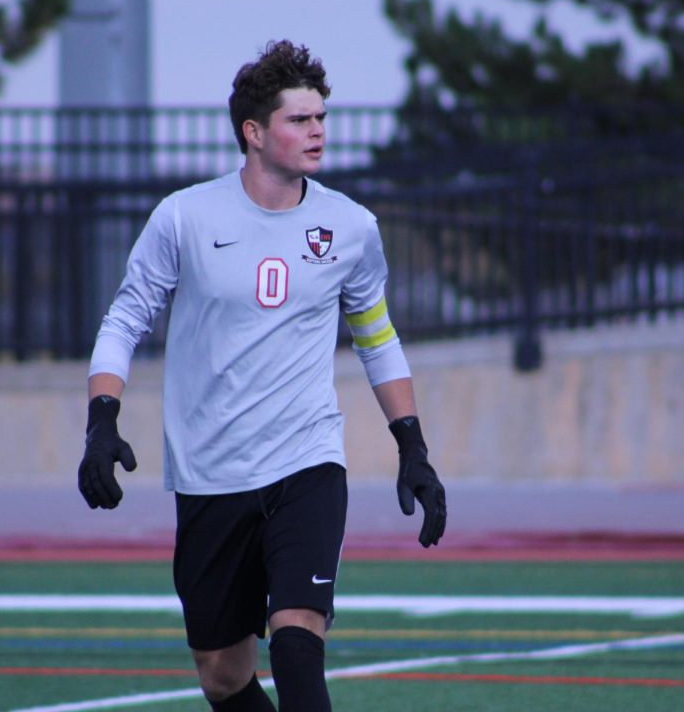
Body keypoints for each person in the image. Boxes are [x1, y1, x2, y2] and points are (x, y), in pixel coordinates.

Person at [78, 39, 447, 712]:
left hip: (306, 460)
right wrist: (101, 421)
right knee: (222, 675)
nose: (317, 133)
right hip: (210, 471)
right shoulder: (185, 217)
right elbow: (124, 320)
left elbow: (377, 338)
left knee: (298, 641)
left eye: (320, 118)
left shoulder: (351, 227)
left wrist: (412, 447)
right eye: (299, 120)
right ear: (253, 132)